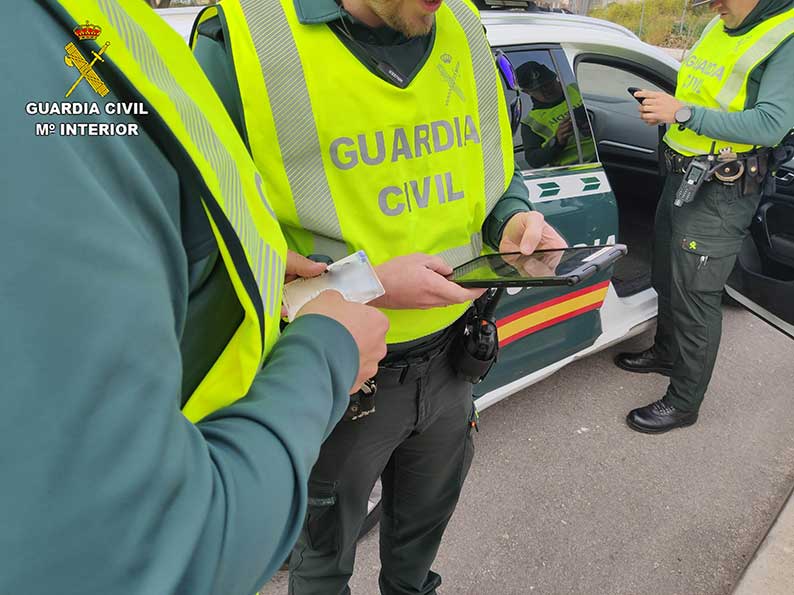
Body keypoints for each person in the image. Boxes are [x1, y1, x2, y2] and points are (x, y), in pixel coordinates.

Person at [0, 2, 390, 594]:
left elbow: (164, 198)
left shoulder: (94, 21)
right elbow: (148, 551)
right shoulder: (37, 46)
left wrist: (250, 257)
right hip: (251, 431)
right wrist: (328, 353)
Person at [192, 0, 567, 592]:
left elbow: (490, 171)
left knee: (419, 546)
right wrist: (368, 286)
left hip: (453, 362)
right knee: (322, 562)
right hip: (336, 376)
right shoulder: (243, 37)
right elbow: (206, 255)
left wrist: (513, 222)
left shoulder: (461, 25)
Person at [615, 0, 794, 433]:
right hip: (684, 177)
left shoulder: (785, 36)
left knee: (696, 295)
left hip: (722, 190)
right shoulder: (722, 23)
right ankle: (666, 352)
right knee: (667, 275)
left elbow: (770, 124)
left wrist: (682, 113)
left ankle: (684, 402)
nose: (712, 4)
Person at [515, 60, 595, 168]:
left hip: (611, 154)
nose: (547, 90)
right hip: (576, 171)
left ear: (555, 77)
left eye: (548, 83)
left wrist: (591, 121)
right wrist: (557, 142)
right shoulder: (530, 123)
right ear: (526, 92)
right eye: (539, 89)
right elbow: (533, 160)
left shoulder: (578, 89)